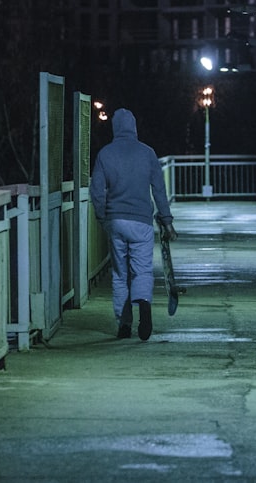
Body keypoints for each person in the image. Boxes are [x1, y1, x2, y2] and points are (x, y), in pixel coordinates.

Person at [91, 108, 177, 341]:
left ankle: (124, 324)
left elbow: (97, 191)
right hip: (141, 221)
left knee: (120, 274)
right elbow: (159, 190)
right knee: (142, 269)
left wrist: (102, 217)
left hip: (116, 220)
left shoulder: (105, 154)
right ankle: (145, 307)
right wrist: (167, 221)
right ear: (134, 127)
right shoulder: (147, 153)